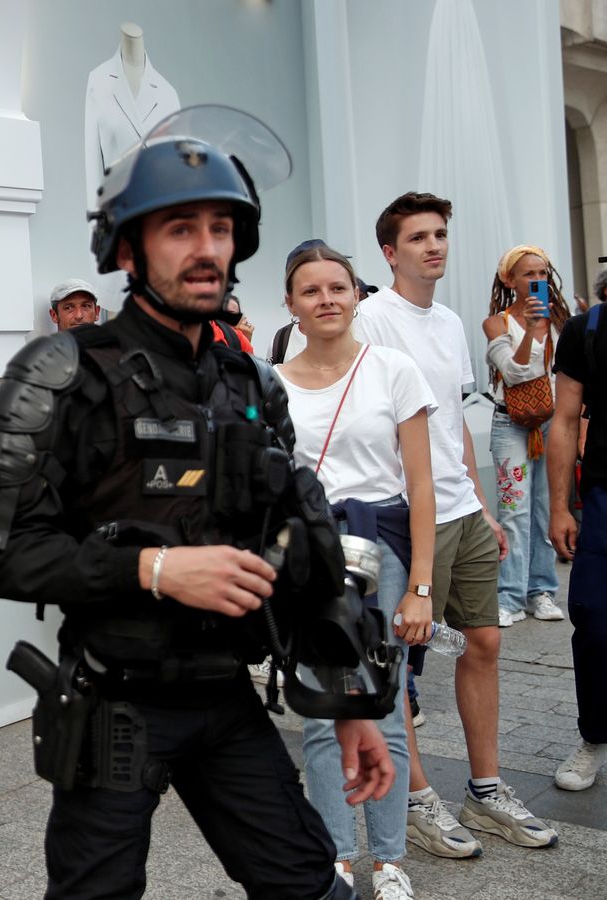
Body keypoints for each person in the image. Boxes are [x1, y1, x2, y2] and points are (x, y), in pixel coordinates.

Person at [0, 108, 395, 900]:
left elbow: (305, 548)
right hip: (113, 701)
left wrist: (349, 704)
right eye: (179, 229)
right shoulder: (62, 374)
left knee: (313, 889)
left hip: (225, 697)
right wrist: (158, 569)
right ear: (128, 249)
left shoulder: (252, 385)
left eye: (220, 228)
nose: (207, 249)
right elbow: (2, 555)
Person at [352, 192, 558, 855]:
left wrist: (479, 505)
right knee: (404, 666)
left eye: (440, 234)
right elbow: (366, 423)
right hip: (409, 513)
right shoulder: (370, 319)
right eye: (418, 238)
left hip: (461, 511)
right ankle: (415, 801)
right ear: (391, 251)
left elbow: (451, 421)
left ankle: (486, 789)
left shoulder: (445, 321)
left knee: (485, 645)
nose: (434, 246)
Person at [278, 243, 437, 899]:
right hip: (311, 555)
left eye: (337, 287)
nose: (326, 300)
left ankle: (390, 861)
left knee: (384, 705)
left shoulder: (393, 370)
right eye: (311, 291)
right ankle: (336, 856)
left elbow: (422, 485)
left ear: (356, 294)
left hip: (385, 551)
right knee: (321, 709)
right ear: (291, 304)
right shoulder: (272, 384)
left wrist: (422, 587)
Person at [480, 245, 567, 627]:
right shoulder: (496, 323)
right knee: (515, 511)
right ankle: (510, 596)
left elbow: (566, 374)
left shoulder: (561, 319)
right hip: (510, 422)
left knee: (545, 509)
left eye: (543, 273)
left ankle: (542, 591)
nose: (537, 281)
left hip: (551, 421)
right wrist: (532, 330)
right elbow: (515, 373)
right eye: (529, 274)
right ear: (508, 280)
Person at [547, 299, 607, 792]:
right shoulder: (587, 330)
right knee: (593, 619)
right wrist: (560, 506)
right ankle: (595, 736)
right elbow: (565, 420)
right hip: (603, 500)